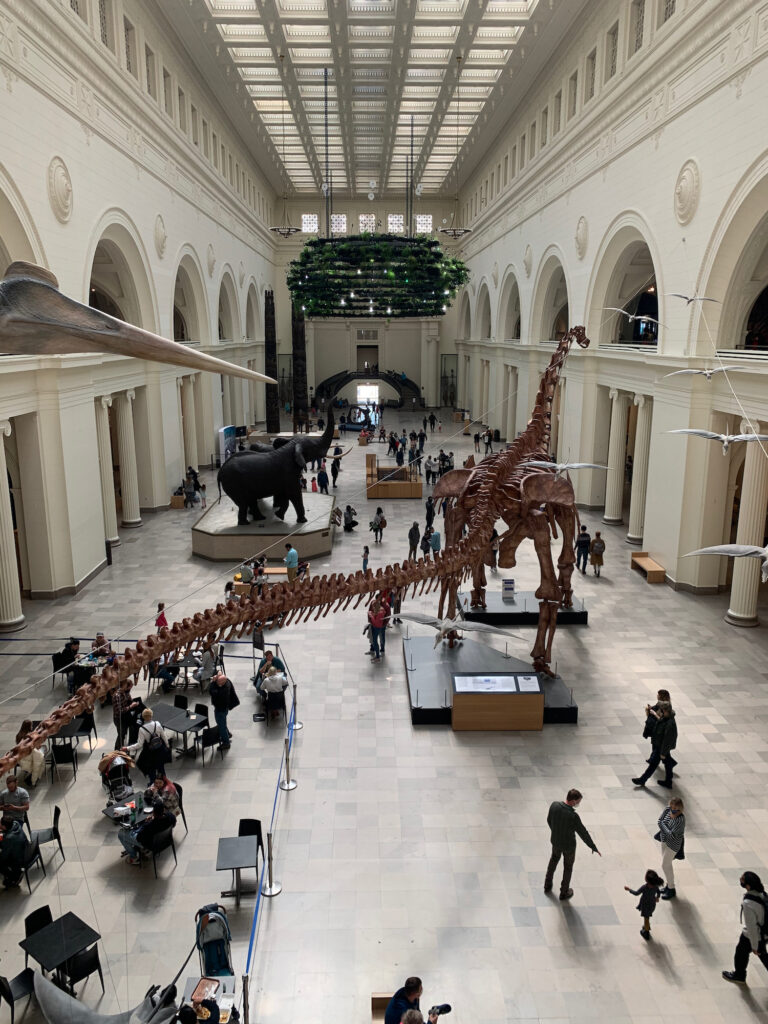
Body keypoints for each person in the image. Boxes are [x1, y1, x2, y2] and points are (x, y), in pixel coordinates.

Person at [544, 788, 601, 900]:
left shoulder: (554, 805)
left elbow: (549, 820)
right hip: (569, 846)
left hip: (555, 842)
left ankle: (547, 885)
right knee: (568, 867)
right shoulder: (573, 816)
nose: (578, 803)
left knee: (553, 860)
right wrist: (593, 846)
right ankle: (564, 892)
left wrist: (555, 832)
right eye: (578, 801)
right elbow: (583, 832)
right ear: (574, 801)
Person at [722, 870, 768, 984]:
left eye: (742, 879)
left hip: (755, 936)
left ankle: (739, 975)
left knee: (742, 952)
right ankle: (739, 974)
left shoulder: (748, 904)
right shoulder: (763, 894)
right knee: (762, 955)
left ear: (748, 885)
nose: (740, 879)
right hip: (764, 932)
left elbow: (751, 927)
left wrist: (755, 946)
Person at [632, 701, 677, 788]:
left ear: (666, 711)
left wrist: (663, 753)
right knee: (667, 764)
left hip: (661, 747)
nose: (661, 712)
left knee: (653, 764)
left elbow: (667, 739)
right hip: (660, 745)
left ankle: (642, 779)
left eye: (662, 711)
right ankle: (668, 781)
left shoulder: (670, 723)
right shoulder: (666, 717)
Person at [118, 799, 176, 866]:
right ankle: (136, 849)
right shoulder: (170, 816)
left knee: (121, 834)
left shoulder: (150, 826)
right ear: (163, 810)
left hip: (152, 845)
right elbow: (173, 824)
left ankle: (134, 857)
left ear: (153, 812)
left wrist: (146, 823)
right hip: (166, 840)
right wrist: (151, 820)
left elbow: (139, 838)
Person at [127, 709, 170, 782]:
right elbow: (163, 736)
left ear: (143, 717)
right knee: (161, 769)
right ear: (151, 715)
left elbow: (139, 744)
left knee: (151, 771)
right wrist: (167, 745)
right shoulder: (157, 724)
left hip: (150, 752)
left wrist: (128, 748)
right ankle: (164, 784)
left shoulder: (142, 729)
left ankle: (153, 785)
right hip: (160, 749)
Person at [655, 796, 685, 900]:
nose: (672, 808)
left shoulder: (681, 819)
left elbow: (672, 835)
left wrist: (663, 826)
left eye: (675, 807)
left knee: (664, 865)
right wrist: (665, 828)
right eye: (671, 805)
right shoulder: (668, 809)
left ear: (680, 808)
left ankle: (671, 888)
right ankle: (669, 886)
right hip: (664, 841)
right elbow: (659, 821)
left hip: (673, 845)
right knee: (667, 865)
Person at [625, 869, 664, 940]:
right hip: (652, 904)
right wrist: (657, 898)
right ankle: (646, 927)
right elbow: (658, 892)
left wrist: (629, 889)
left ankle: (646, 931)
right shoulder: (655, 886)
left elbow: (636, 893)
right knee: (647, 916)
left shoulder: (644, 887)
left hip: (645, 905)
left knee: (646, 918)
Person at [209, 671, 239, 750]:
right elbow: (219, 673)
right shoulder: (227, 681)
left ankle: (226, 743)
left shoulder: (223, 691)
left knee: (221, 725)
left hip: (220, 709)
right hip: (224, 708)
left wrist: (213, 682)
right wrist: (218, 675)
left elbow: (212, 691)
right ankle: (227, 734)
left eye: (218, 681)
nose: (216, 681)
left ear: (222, 683)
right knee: (222, 722)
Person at [0, 815, 29, 888]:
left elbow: (4, 856)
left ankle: (14, 877)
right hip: (25, 849)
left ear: (4, 826)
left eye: (1, 824)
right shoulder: (16, 823)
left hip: (19, 858)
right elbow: (6, 833)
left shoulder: (9, 838)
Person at [15, 721, 45, 786]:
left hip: (20, 755)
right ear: (28, 727)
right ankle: (32, 779)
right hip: (28, 756)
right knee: (41, 757)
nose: (32, 727)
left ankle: (32, 778)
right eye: (31, 726)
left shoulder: (18, 735)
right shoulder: (28, 736)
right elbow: (36, 746)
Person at [112, 679, 140, 747]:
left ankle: (125, 746)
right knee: (121, 735)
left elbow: (128, 700)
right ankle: (117, 750)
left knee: (125, 733)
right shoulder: (117, 696)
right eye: (129, 687)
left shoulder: (125, 692)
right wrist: (131, 706)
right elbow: (119, 711)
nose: (129, 689)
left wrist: (132, 702)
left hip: (125, 716)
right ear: (124, 686)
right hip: (119, 719)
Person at [643, 688, 671, 754]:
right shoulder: (660, 703)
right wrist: (650, 708)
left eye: (658, 694)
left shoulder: (666, 706)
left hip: (659, 729)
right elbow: (655, 708)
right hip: (656, 728)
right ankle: (654, 759)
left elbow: (663, 720)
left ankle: (654, 760)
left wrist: (654, 714)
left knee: (657, 745)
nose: (657, 695)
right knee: (655, 745)